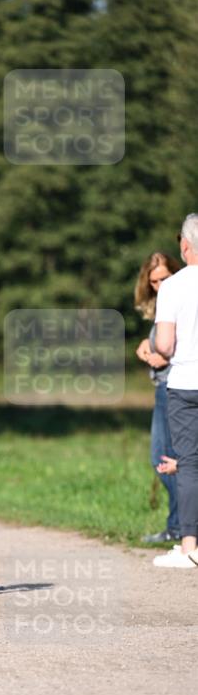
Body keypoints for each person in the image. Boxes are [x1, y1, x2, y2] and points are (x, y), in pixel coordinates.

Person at [152, 213, 198, 569]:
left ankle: (189, 546)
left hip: (185, 384)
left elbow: (164, 345)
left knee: (189, 464)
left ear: (184, 246)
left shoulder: (173, 287)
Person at [134, 252, 181, 543]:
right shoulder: (162, 304)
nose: (160, 285)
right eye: (154, 281)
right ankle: (179, 524)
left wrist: (165, 359)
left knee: (171, 460)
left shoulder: (183, 298)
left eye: (164, 278)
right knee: (161, 459)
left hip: (173, 386)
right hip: (161, 387)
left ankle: (181, 526)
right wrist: (146, 345)